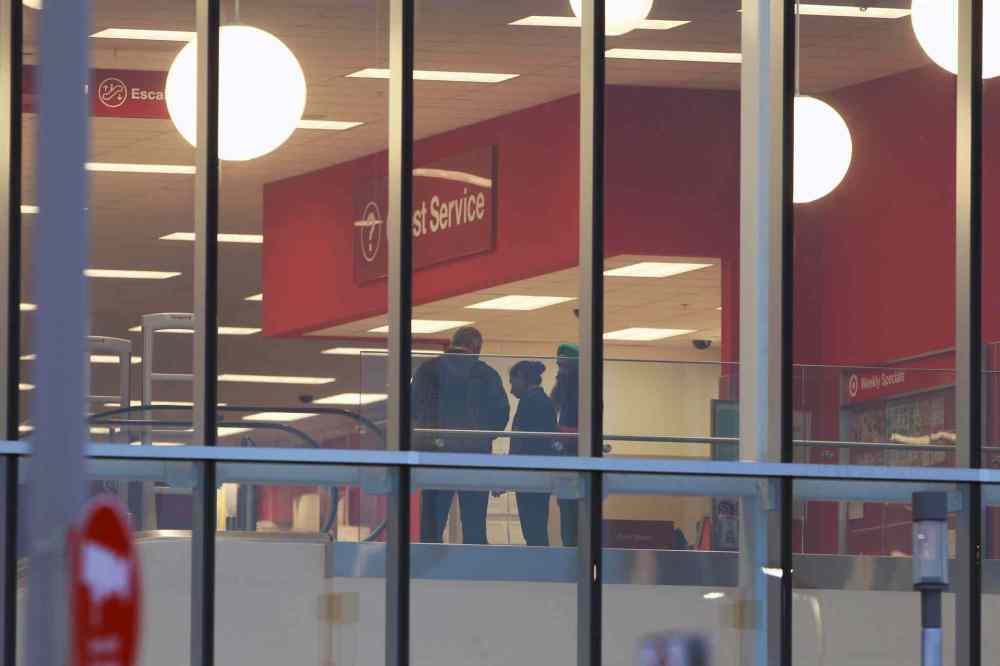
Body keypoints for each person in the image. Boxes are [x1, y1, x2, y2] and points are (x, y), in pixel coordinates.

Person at [411, 326, 510, 544]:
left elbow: (414, 408)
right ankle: (474, 573)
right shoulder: (486, 374)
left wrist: (427, 439)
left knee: (432, 525)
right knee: (474, 524)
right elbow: (501, 412)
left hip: (435, 454)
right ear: (476, 347)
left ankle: (427, 574)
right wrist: (483, 438)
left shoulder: (428, 370)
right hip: (474, 455)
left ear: (453, 342)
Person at [507, 360, 559, 546]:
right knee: (536, 527)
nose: (511, 390)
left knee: (532, 530)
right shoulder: (543, 402)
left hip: (529, 476)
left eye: (513, 382)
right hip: (539, 474)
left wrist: (508, 476)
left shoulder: (530, 402)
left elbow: (521, 443)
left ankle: (540, 569)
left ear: (522, 378)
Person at [550, 343, 580, 547]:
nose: (560, 372)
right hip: (564, 462)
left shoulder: (582, 395)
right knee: (566, 515)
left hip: (576, 463)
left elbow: (580, 431)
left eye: (565, 367)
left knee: (574, 518)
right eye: (559, 366)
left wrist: (555, 431)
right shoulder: (562, 394)